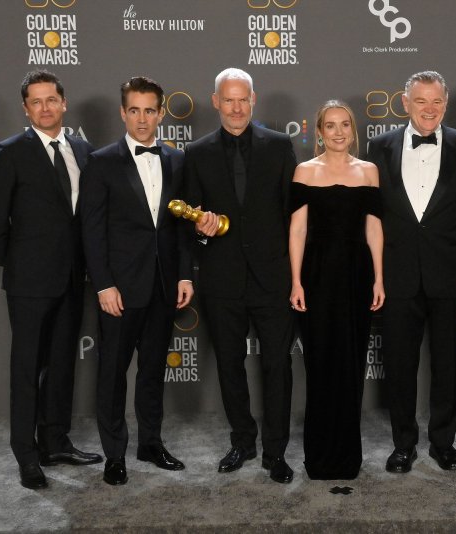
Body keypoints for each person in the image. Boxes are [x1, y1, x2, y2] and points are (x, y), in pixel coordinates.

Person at [0, 69, 102, 489]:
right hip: (29, 282)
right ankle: (27, 455)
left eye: (52, 99)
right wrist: (17, 263)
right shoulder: (10, 151)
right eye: (36, 101)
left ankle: (55, 442)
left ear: (64, 103)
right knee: (27, 366)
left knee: (63, 364)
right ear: (26, 108)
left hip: (72, 278)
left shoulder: (84, 150)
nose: (45, 108)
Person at [366, 71, 456, 473]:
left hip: (451, 277)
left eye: (437, 102)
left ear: (446, 103)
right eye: (421, 101)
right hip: (398, 277)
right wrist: (374, 275)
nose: (429, 109)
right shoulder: (379, 146)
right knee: (400, 366)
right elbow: (371, 217)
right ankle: (403, 444)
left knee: (449, 366)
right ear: (405, 103)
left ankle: (443, 443)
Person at [184, 67, 297, 484]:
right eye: (228, 99)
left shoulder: (280, 145)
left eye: (243, 99)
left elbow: (294, 215)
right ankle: (242, 441)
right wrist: (199, 229)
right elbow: (188, 220)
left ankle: (276, 452)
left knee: (277, 366)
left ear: (254, 100)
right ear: (216, 102)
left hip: (273, 278)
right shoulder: (195, 153)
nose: (236, 107)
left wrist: (295, 275)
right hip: (222, 278)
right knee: (230, 364)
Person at [80, 76, 193, 485]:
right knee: (112, 372)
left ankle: (150, 442)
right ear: (122, 113)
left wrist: (183, 274)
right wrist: (103, 284)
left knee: (151, 371)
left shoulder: (177, 160)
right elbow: (91, 230)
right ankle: (115, 454)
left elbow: (179, 227)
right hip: (120, 290)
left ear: (161, 113)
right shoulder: (102, 161)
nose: (142, 119)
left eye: (149, 110)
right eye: (134, 110)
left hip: (163, 285)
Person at [288, 100, 384, 480]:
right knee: (321, 365)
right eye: (331, 126)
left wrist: (379, 277)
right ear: (319, 131)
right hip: (316, 276)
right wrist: (295, 281)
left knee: (350, 364)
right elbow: (297, 230)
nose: (339, 132)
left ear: (353, 130)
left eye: (345, 125)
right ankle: (319, 457)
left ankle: (347, 458)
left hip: (357, 277)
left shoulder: (370, 171)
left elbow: (374, 228)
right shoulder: (304, 171)